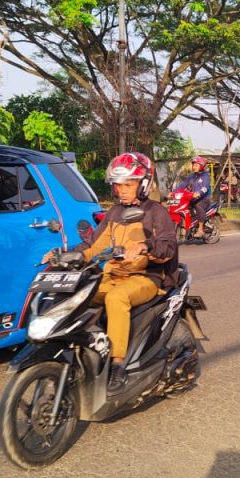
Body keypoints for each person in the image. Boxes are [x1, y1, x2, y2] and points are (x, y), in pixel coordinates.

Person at [43, 152, 178, 392]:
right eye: (118, 185)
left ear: (143, 184)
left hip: (146, 278)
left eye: (129, 184)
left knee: (116, 299)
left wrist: (146, 246)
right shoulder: (114, 213)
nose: (122, 190)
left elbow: (168, 246)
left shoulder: (156, 212)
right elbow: (93, 245)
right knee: (76, 293)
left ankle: (118, 364)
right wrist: (65, 256)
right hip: (113, 275)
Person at [174, 156, 212, 235]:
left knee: (199, 206)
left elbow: (205, 187)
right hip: (193, 198)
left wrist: (199, 193)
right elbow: (183, 184)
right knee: (181, 205)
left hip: (204, 199)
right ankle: (189, 225)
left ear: (201, 166)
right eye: (193, 165)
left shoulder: (205, 176)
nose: (194, 167)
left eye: (196, 165)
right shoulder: (192, 176)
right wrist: (173, 192)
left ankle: (201, 229)